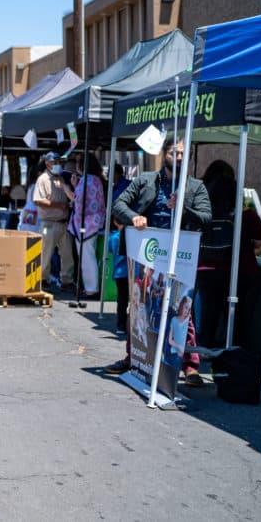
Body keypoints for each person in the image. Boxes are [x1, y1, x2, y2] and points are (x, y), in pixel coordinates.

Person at [104, 138, 212, 385]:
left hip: (180, 256)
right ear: (165, 154)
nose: (180, 157)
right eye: (175, 152)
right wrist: (134, 218)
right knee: (140, 305)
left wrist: (184, 209)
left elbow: (206, 218)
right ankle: (135, 357)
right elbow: (118, 204)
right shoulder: (145, 181)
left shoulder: (196, 187)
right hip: (147, 255)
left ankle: (189, 366)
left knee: (183, 308)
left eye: (184, 153)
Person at [195, 160, 261, 351]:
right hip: (240, 270)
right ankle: (234, 349)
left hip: (206, 268)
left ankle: (205, 347)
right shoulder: (244, 214)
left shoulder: (204, 213)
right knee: (236, 314)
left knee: (208, 312)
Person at [66, 153, 106, 299]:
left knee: (86, 257)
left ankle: (91, 288)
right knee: (90, 255)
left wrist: (66, 187)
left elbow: (77, 200)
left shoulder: (85, 180)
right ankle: (91, 287)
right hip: (94, 223)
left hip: (85, 224)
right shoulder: (96, 180)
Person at [33, 152, 74, 292]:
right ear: (47, 163)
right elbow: (38, 200)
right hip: (49, 222)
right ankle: (43, 280)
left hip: (63, 222)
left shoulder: (61, 178)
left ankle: (66, 281)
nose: (58, 164)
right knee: (46, 253)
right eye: (55, 162)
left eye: (59, 162)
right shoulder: (43, 179)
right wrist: (59, 205)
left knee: (67, 254)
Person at [18, 162, 43, 234]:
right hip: (34, 212)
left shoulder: (31, 185)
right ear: (39, 173)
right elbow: (35, 201)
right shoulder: (36, 185)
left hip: (28, 210)